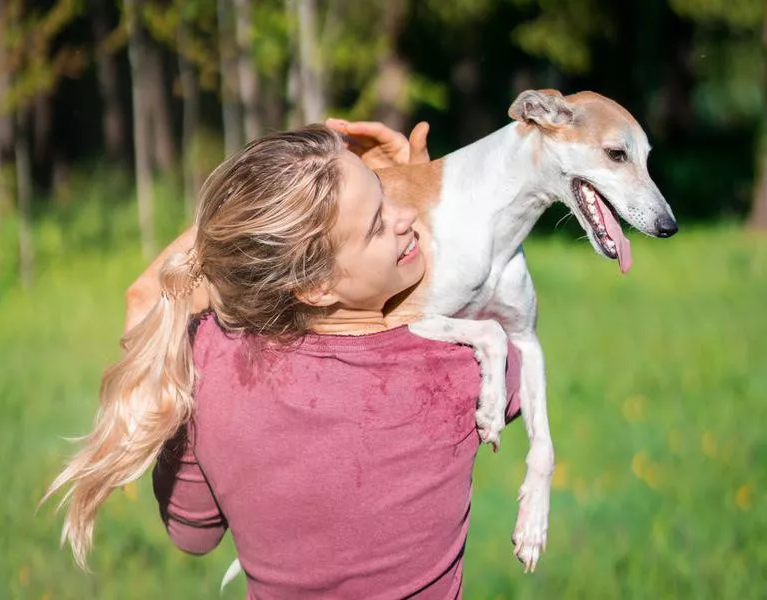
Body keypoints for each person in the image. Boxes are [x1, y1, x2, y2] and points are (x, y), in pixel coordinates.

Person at [45, 122, 520, 598]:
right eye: (378, 223)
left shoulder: (213, 355)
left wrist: (266, 215)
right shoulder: (453, 368)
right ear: (316, 286)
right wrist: (419, 186)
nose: (408, 212)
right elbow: (506, 326)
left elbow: (192, 534)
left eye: (389, 195)